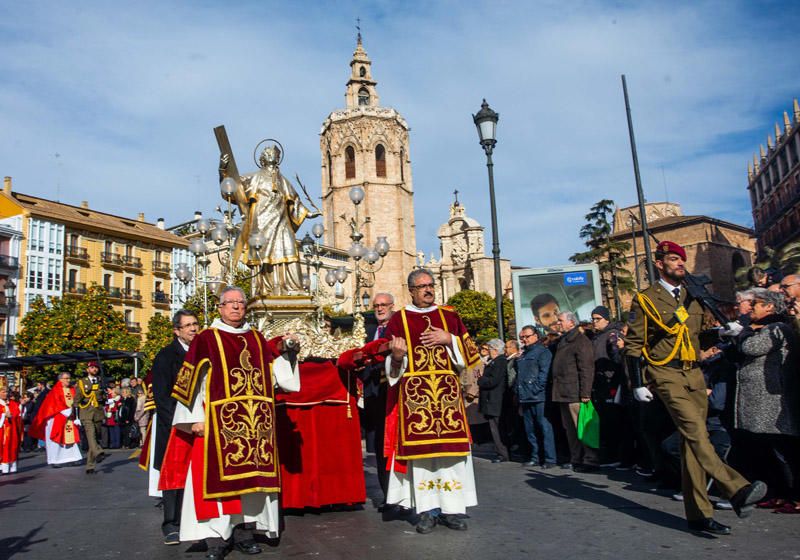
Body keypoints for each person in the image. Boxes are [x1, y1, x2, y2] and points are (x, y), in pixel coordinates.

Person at [625, 240, 767, 535]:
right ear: (660, 264)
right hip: (665, 372)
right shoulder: (646, 299)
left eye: (682, 259)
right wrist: (637, 383)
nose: (680, 263)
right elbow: (633, 345)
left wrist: (724, 332)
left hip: (694, 374)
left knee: (692, 446)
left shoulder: (694, 296)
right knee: (696, 431)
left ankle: (699, 514)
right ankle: (736, 489)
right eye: (674, 259)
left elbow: (699, 337)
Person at [159, 286, 300, 559]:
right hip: (217, 425)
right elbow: (191, 383)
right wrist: (193, 421)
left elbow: (276, 377)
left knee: (250, 486)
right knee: (218, 488)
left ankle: (245, 534)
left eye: (240, 303)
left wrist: (290, 352)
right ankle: (216, 539)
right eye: (230, 303)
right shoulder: (207, 339)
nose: (236, 307)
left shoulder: (257, 338)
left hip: (256, 427)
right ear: (220, 307)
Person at [383, 269, 481, 534]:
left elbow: (471, 354)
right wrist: (397, 355)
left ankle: (452, 510)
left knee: (451, 457)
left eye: (430, 285)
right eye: (422, 286)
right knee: (422, 459)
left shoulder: (450, 316)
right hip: (416, 401)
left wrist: (450, 339)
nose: (428, 290)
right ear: (411, 290)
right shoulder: (398, 320)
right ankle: (426, 511)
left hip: (447, 399)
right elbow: (389, 368)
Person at [218, 146, 320, 296]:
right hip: (261, 224)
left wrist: (309, 213)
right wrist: (222, 171)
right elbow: (231, 188)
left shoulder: (283, 181)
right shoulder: (253, 178)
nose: (271, 154)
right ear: (262, 159)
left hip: (282, 223)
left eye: (274, 153)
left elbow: (294, 201)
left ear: (278, 158)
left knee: (290, 251)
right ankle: (266, 289)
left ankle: (292, 288)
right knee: (263, 256)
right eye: (267, 152)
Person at [734, 288, 800, 512]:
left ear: (770, 306)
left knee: (783, 452)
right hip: (761, 402)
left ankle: (795, 496)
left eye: (756, 304)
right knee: (767, 450)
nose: (751, 308)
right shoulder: (763, 328)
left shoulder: (776, 328)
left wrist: (743, 331)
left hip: (771, 401)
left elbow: (751, 347)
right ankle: (780, 493)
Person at [149, 310, 199, 545]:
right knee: (174, 475)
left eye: (195, 324)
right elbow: (162, 398)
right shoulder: (166, 356)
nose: (193, 329)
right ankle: (170, 523)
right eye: (188, 325)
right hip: (176, 426)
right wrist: (181, 425)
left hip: (200, 423)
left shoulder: (202, 353)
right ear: (176, 331)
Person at [357, 292, 395, 509]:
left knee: (396, 446)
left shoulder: (397, 329)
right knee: (381, 448)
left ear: (392, 306)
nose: (380, 309)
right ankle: (388, 494)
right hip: (374, 396)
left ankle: (404, 497)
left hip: (392, 392)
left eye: (384, 305)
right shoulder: (369, 331)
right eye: (376, 306)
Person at [551, 311, 599, 472]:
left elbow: (586, 368)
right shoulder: (563, 340)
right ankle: (576, 457)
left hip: (575, 392)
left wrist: (585, 392)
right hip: (563, 391)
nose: (558, 323)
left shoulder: (580, 341)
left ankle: (590, 459)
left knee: (582, 427)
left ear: (571, 323)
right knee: (570, 429)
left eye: (560, 320)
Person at [589, 306, 626, 466]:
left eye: (598, 319)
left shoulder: (612, 335)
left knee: (613, 422)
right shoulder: (597, 337)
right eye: (593, 319)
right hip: (599, 384)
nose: (594, 322)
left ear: (606, 319)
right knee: (604, 421)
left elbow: (617, 359)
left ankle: (616, 456)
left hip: (610, 383)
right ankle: (610, 453)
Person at [515, 326, 556, 468]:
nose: (524, 340)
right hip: (525, 396)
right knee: (530, 430)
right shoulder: (523, 354)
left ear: (536, 336)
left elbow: (544, 374)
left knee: (544, 428)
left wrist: (535, 389)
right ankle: (535, 456)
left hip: (538, 397)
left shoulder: (543, 352)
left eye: (527, 336)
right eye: (522, 337)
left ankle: (550, 459)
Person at [29, 372, 83, 468]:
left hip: (69, 418)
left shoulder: (72, 389)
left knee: (72, 439)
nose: (68, 380)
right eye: (66, 378)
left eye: (69, 378)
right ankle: (55, 459)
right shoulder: (55, 391)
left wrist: (75, 412)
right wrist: (67, 411)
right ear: (60, 380)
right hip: (56, 418)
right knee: (56, 439)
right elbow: (55, 404)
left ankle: (73, 458)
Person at [477, 339, 510, 464]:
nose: (488, 352)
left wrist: (481, 380)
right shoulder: (495, 362)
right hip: (492, 400)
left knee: (497, 428)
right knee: (495, 427)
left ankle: (502, 453)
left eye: (490, 349)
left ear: (495, 350)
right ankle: (501, 451)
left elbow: (493, 380)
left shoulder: (499, 362)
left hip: (495, 400)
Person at [75, 361, 106, 474]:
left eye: (96, 368)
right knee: (91, 434)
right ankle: (98, 452)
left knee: (94, 437)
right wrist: (75, 414)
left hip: (97, 412)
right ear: (88, 369)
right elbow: (77, 399)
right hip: (86, 411)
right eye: (92, 367)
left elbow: (103, 397)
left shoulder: (101, 381)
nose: (94, 369)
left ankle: (90, 465)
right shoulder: (82, 382)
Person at [0, 383, 22, 474]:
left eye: (6, 392)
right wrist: (4, 415)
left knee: (12, 446)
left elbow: (17, 414)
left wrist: (11, 415)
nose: (5, 394)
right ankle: (2, 467)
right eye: (3, 392)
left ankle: (11, 467)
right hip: (2, 429)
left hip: (12, 429)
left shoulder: (13, 403)